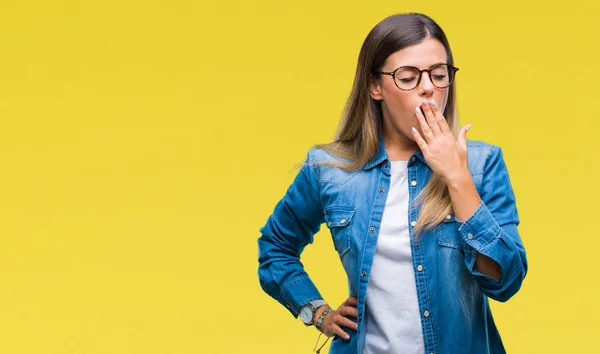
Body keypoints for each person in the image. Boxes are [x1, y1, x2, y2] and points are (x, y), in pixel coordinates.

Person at [257, 12, 527, 354]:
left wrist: (457, 178)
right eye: (409, 77)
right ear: (375, 86)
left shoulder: (481, 164)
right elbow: (275, 248)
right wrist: (317, 311)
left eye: (439, 74)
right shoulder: (330, 170)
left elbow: (505, 281)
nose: (429, 87)